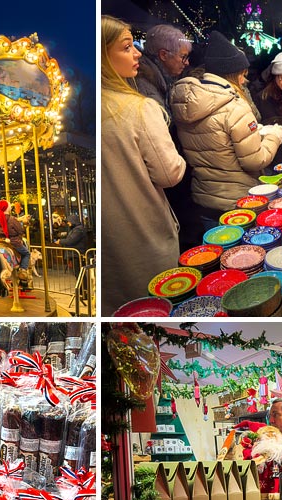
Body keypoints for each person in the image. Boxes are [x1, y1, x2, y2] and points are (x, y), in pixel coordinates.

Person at [101, 15, 186, 313]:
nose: (137, 52)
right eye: (126, 47)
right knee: (154, 306)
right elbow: (169, 172)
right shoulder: (138, 108)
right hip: (144, 238)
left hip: (110, 254)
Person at [171, 31, 282, 215]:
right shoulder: (234, 106)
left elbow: (218, 140)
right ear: (233, 74)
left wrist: (256, 131)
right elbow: (255, 161)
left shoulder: (186, 102)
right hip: (239, 200)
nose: (244, 80)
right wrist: (274, 136)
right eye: (242, 74)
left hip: (204, 197)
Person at [136, 23, 192, 111]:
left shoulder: (158, 78)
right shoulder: (144, 84)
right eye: (183, 57)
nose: (187, 63)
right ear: (163, 55)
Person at [0, 198, 30, 279]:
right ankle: (23, 270)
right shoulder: (12, 219)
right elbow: (19, 230)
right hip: (12, 242)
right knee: (26, 253)